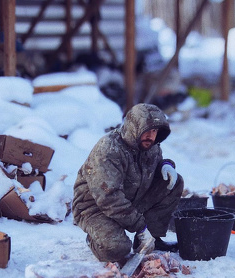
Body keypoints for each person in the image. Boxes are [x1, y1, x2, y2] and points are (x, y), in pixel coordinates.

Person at [72, 103, 184, 263]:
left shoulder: (150, 146)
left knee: (173, 182)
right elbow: (109, 198)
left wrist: (166, 165)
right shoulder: (109, 150)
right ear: (134, 127)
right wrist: (140, 227)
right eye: (147, 130)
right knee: (117, 249)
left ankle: (152, 238)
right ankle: (95, 239)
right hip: (95, 207)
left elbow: (151, 166)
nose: (151, 136)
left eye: (155, 131)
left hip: (129, 198)